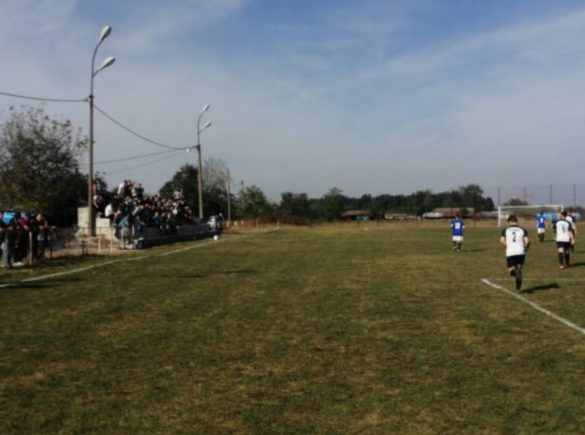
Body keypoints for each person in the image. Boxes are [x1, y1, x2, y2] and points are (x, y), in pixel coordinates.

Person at [500, 214, 530, 291]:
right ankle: (518, 288)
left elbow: (502, 240)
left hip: (511, 251)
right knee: (519, 269)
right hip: (521, 251)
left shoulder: (506, 229)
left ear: (509, 221)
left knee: (511, 270)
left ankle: (514, 271)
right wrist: (526, 247)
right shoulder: (523, 229)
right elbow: (527, 241)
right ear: (516, 221)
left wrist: (506, 245)